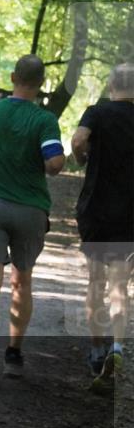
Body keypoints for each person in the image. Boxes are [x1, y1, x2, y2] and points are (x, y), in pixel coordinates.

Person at [0, 55, 64, 388]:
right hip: (30, 210)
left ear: (12, 77)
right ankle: (14, 355)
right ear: (41, 84)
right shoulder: (44, 120)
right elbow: (55, 164)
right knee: (22, 282)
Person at [71, 63, 134, 390]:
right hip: (130, 214)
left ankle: (97, 352)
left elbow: (79, 140)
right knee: (120, 286)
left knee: (96, 282)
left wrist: (82, 158)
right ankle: (118, 346)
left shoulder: (97, 112)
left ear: (111, 86)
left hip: (96, 209)